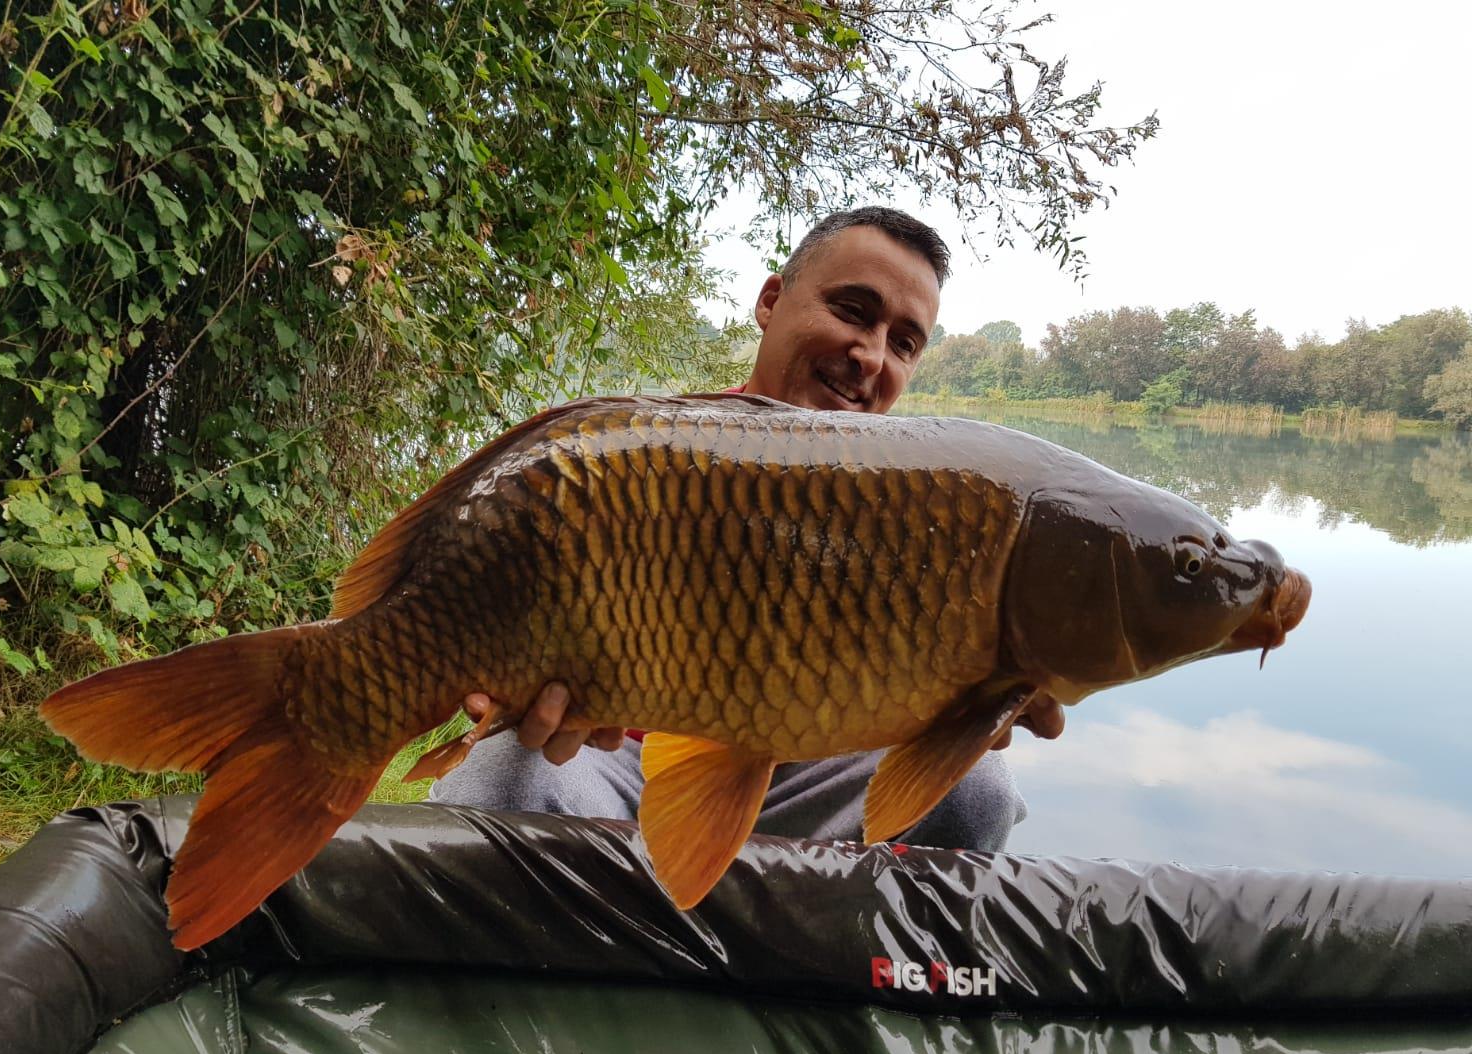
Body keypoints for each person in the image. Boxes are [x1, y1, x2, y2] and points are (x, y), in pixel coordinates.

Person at [429, 206, 1063, 850]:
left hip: (814, 781)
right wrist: (490, 671)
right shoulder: (639, 458)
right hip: (613, 762)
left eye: (903, 342)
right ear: (770, 301)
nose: (870, 356)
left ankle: (844, 952)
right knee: (501, 781)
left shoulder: (927, 509)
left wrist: (967, 710)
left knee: (978, 790)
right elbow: (489, 618)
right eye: (852, 311)